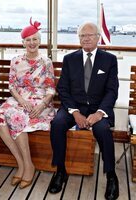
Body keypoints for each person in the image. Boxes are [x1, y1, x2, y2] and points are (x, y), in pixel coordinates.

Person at [48, 22, 119, 200]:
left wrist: (100, 113)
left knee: (103, 130)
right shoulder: (70, 59)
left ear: (98, 37)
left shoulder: (109, 59)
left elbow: (112, 90)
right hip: (74, 106)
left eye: (90, 35)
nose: (86, 38)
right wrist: (75, 112)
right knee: (57, 124)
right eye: (82, 36)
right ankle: (60, 171)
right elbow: (63, 89)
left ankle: (111, 175)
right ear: (78, 38)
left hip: (98, 108)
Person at [0, 18, 56, 189]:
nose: (31, 43)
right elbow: (11, 85)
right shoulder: (16, 60)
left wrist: (41, 105)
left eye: (35, 39)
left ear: (40, 42)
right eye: (28, 40)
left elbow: (51, 89)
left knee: (16, 116)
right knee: (0, 115)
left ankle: (28, 165)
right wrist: (21, 100)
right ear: (23, 42)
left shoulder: (46, 62)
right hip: (20, 99)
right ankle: (23, 163)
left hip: (40, 102)